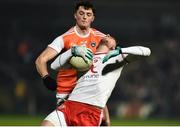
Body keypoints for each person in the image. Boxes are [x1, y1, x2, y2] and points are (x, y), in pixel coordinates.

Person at [43, 35, 151, 126]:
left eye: (112, 37)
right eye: (107, 35)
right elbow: (54, 66)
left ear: (113, 47)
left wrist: (120, 51)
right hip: (69, 105)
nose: (108, 35)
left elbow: (146, 51)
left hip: (89, 112)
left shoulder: (117, 60)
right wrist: (72, 51)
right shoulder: (83, 57)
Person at [35, 1, 110, 126]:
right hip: (65, 98)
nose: (84, 17)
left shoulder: (101, 39)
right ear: (75, 15)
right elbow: (40, 60)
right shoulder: (65, 38)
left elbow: (114, 58)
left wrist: (106, 117)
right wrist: (46, 77)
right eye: (81, 13)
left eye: (88, 14)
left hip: (88, 99)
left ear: (93, 18)